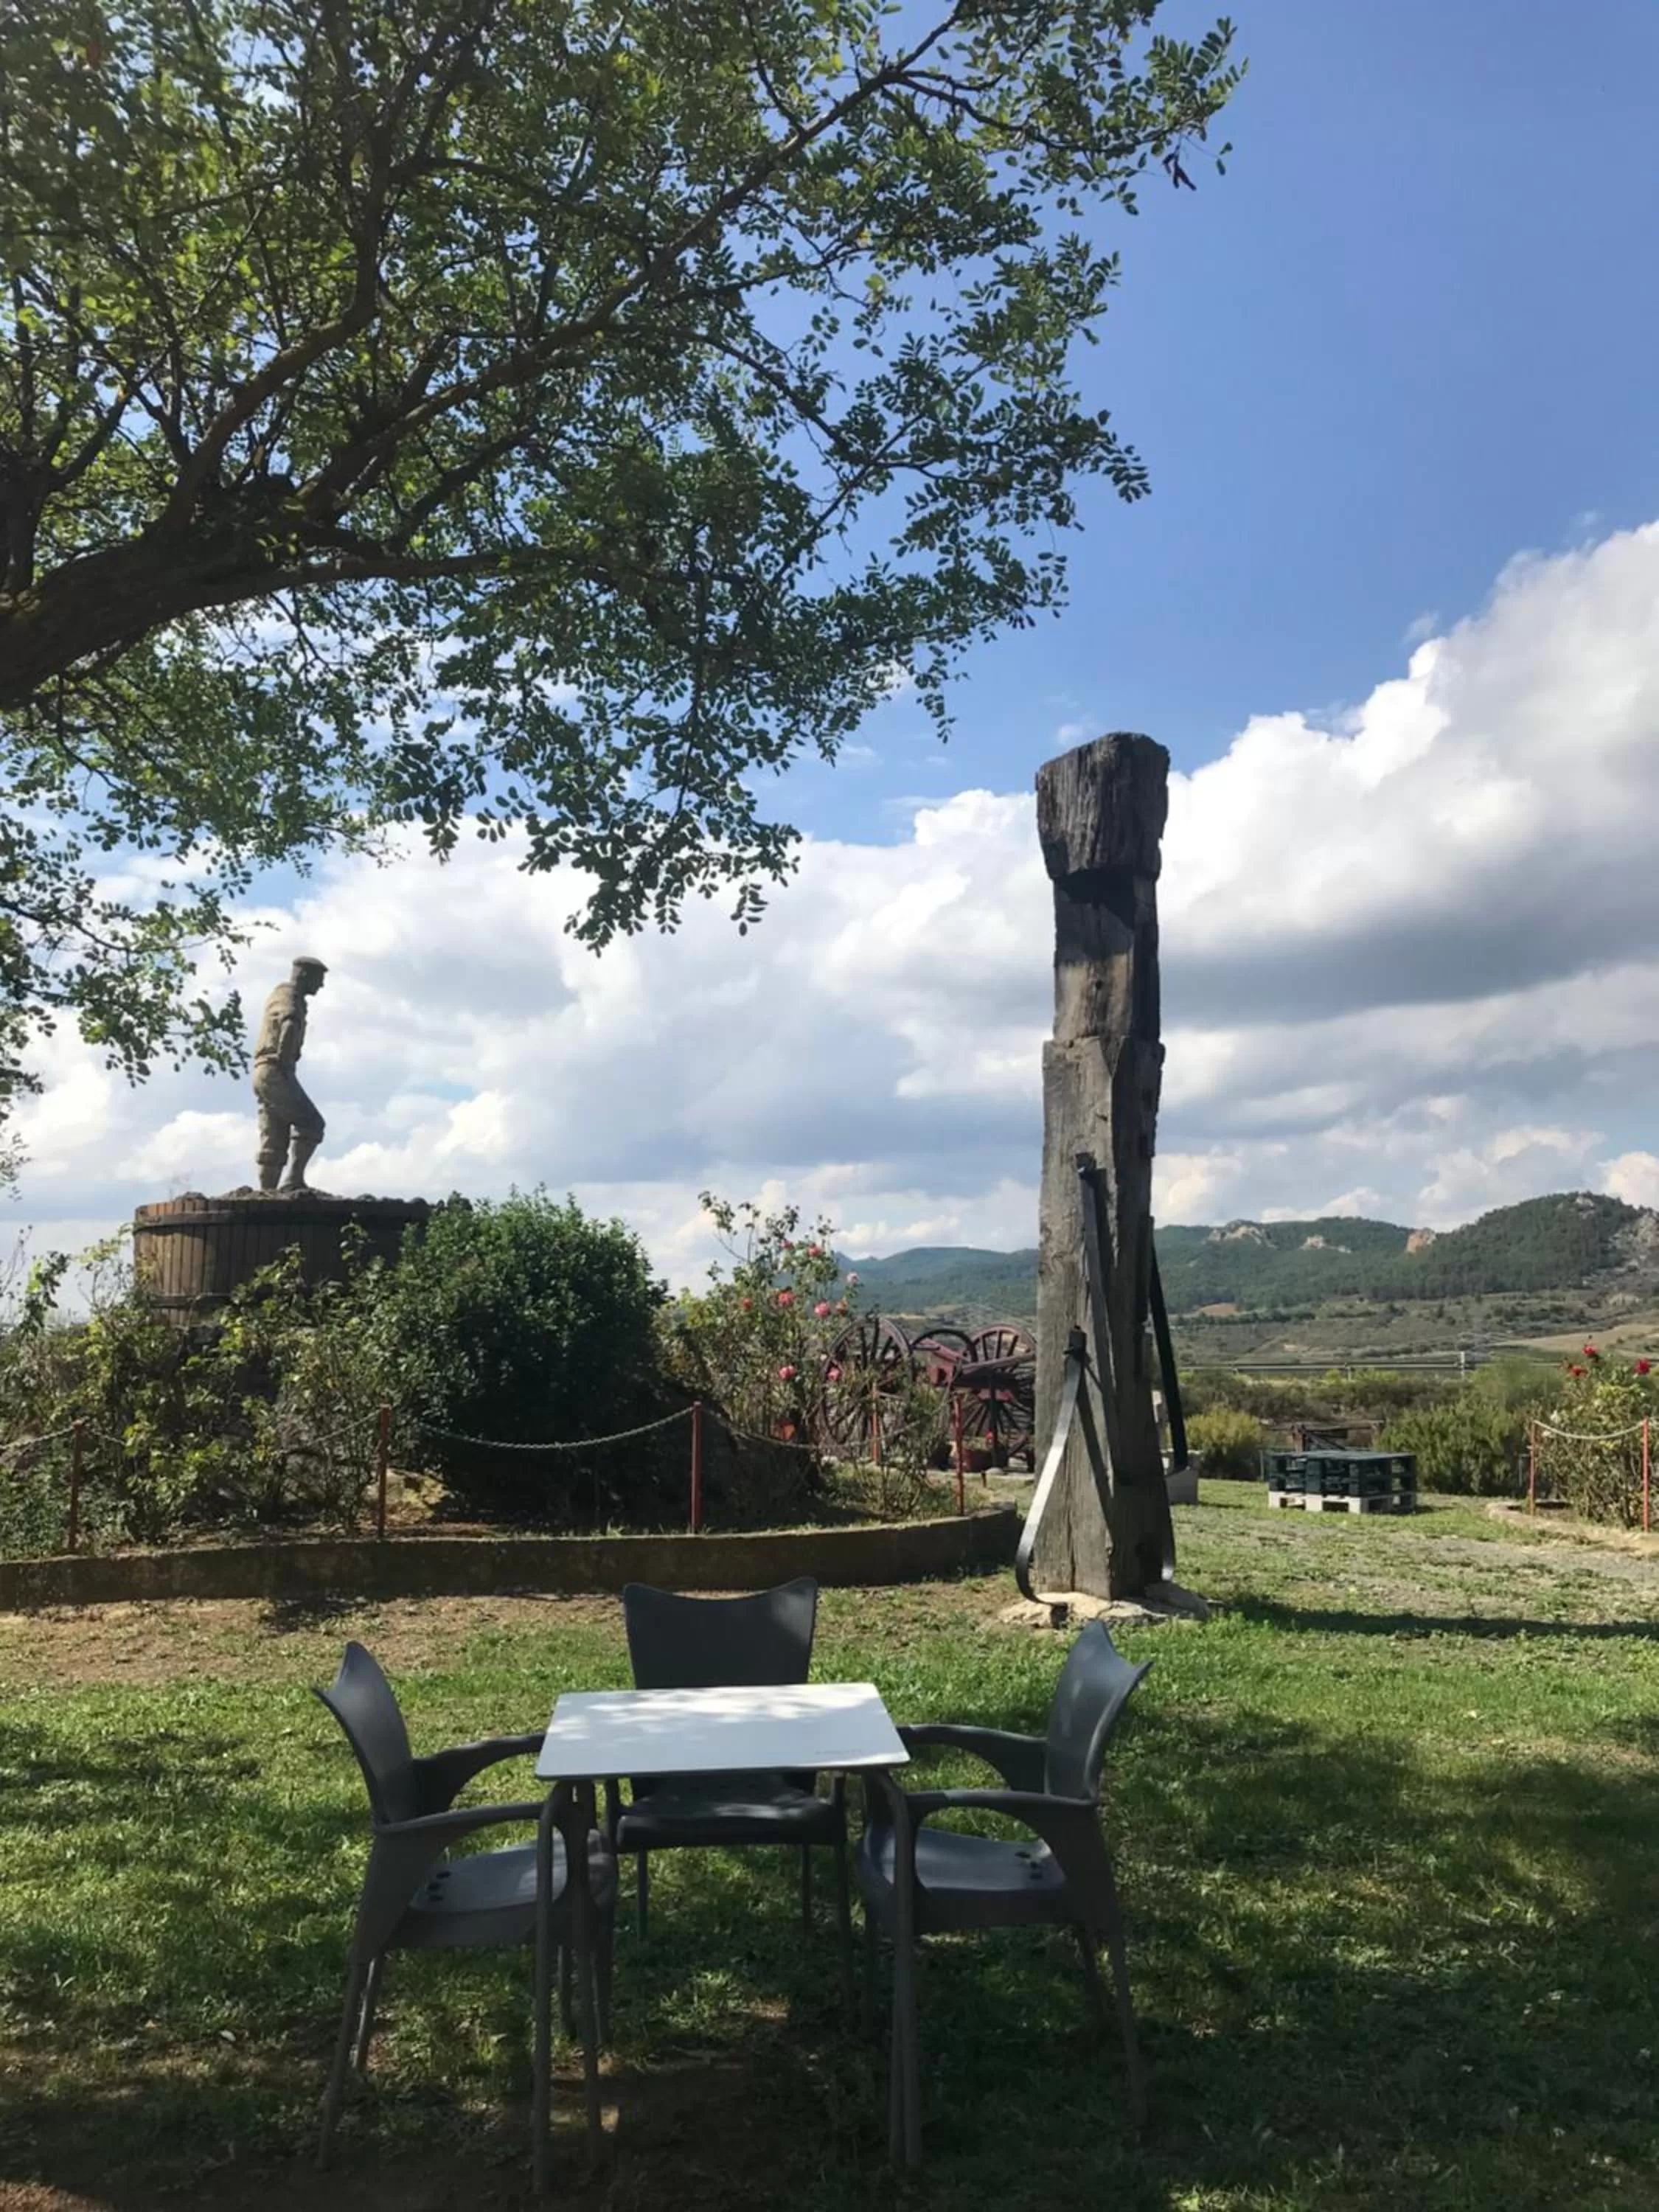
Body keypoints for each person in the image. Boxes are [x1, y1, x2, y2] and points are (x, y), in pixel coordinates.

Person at [253, 957, 327, 1191]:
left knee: (274, 1137)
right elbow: (289, 1024)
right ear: (304, 975)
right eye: (319, 979)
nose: (321, 986)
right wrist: (285, 1062)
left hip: (263, 1071)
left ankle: (267, 1194)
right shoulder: (290, 996)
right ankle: (293, 1181)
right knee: (311, 1123)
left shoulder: (278, 994)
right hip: (276, 1070)